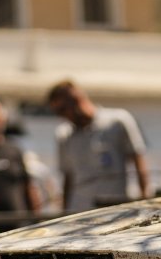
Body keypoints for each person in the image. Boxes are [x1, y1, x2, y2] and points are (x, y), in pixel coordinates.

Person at [46, 79, 149, 212]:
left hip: (116, 207)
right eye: (58, 112)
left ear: (77, 100)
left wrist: (145, 200)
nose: (63, 116)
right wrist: (64, 212)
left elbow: (138, 161)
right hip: (81, 211)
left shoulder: (118, 121)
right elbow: (68, 176)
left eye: (63, 109)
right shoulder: (64, 134)